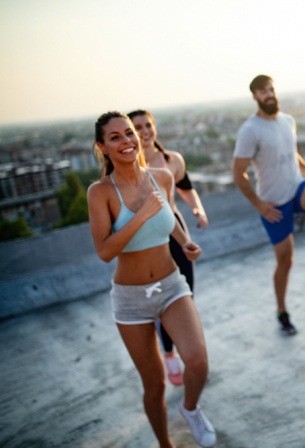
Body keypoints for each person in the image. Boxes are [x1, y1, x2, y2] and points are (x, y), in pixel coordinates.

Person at [87, 112, 216, 447]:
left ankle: (190, 408)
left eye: (128, 133)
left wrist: (184, 238)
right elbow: (104, 251)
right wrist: (140, 215)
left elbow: (168, 214)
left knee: (198, 361)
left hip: (171, 284)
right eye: (114, 137)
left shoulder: (162, 176)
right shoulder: (100, 192)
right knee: (155, 385)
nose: (126, 140)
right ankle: (165, 444)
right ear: (102, 147)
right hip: (130, 299)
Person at [233, 74, 305, 336]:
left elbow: (290, 150)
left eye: (270, 89)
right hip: (274, 204)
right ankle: (282, 311)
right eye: (262, 92)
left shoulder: (287, 121)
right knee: (285, 261)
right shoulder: (250, 131)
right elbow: (238, 173)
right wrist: (259, 205)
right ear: (255, 97)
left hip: (297, 189)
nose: (268, 94)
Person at [129, 109, 209, 387]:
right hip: (147, 238)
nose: (144, 131)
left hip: (175, 231)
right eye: (137, 127)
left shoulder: (172, 161)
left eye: (147, 125)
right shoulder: (129, 168)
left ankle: (187, 352)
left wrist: (197, 209)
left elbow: (186, 188)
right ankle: (168, 352)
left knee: (186, 293)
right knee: (161, 300)